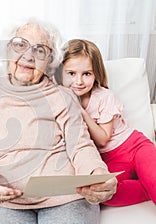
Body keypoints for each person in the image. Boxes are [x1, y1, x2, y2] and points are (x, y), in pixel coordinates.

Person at [0, 20, 117, 224]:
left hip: (67, 197)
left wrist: (98, 174)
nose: (28, 56)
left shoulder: (63, 97)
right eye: (20, 45)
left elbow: (81, 146)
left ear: (50, 60)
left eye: (40, 50)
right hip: (5, 202)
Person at [57, 38, 156, 206]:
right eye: (71, 73)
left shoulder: (104, 96)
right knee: (102, 194)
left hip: (134, 147)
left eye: (86, 74)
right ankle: (146, 187)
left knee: (153, 178)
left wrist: (80, 110)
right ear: (60, 73)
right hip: (108, 160)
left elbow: (103, 138)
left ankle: (149, 183)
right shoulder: (59, 98)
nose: (79, 81)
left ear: (96, 74)